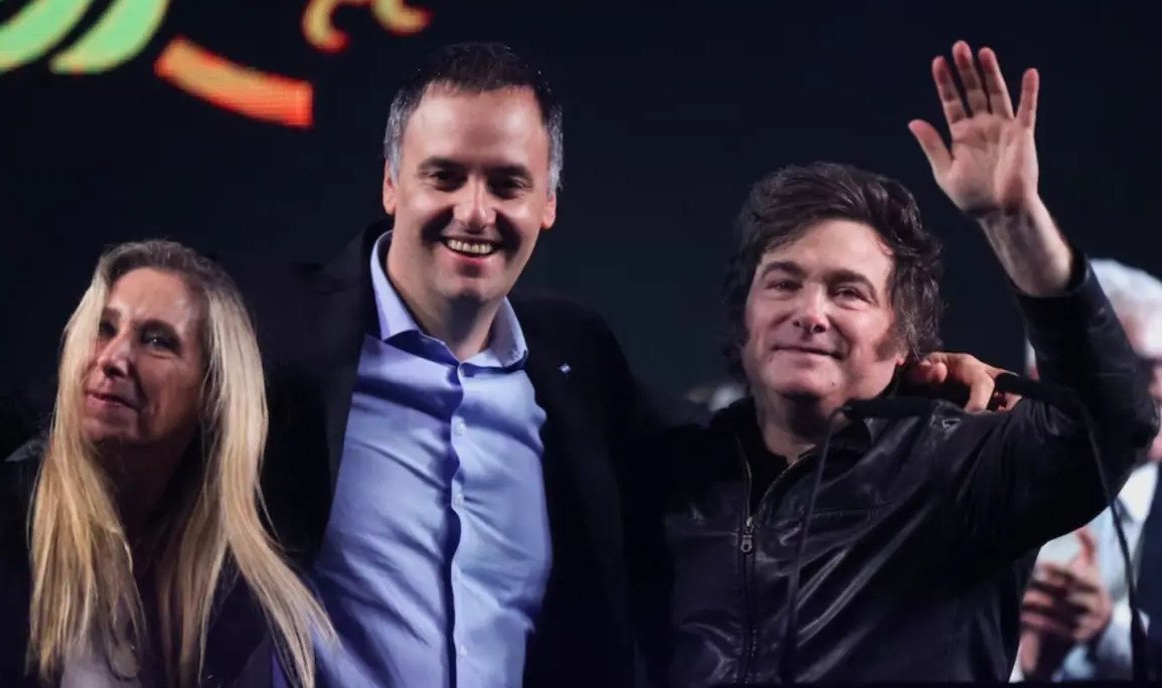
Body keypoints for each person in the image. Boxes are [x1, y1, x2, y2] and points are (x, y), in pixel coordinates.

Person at [216, 41, 1011, 688]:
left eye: (507, 183)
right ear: (392, 184)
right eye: (444, 175)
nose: (474, 211)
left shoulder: (573, 358)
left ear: (548, 203)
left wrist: (904, 379)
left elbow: (731, 445)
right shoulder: (264, 329)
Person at [652, 41, 1159, 684]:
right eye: (783, 283)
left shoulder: (964, 470)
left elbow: (1109, 421)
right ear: (744, 314)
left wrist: (1015, 222)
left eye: (848, 293)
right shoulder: (673, 468)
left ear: (905, 341)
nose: (810, 312)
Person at [0, 240, 333, 688]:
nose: (113, 359)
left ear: (212, 391)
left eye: (158, 341)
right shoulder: (9, 525)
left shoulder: (243, 599)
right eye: (103, 328)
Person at [1014, 258, 1162, 681]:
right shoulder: (980, 492)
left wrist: (1108, 631)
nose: (1160, 390)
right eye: (1140, 369)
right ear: (1045, 376)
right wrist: (1021, 661)